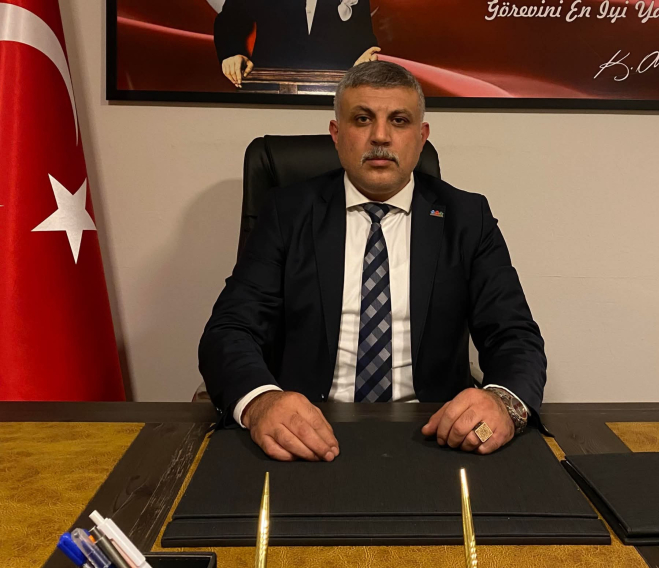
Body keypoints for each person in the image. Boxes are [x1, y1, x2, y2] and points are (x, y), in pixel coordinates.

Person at [199, 61, 547, 462]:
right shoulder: (287, 213)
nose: (380, 136)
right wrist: (261, 401)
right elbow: (230, 330)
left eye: (399, 120)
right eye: (362, 119)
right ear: (336, 134)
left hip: (437, 433)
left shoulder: (467, 218)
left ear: (421, 137)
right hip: (304, 432)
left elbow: (514, 335)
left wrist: (503, 402)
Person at [214, 0, 380, 87]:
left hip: (334, 92)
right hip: (269, 86)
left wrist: (365, 58)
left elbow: (363, 37)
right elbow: (230, 20)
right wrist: (232, 53)